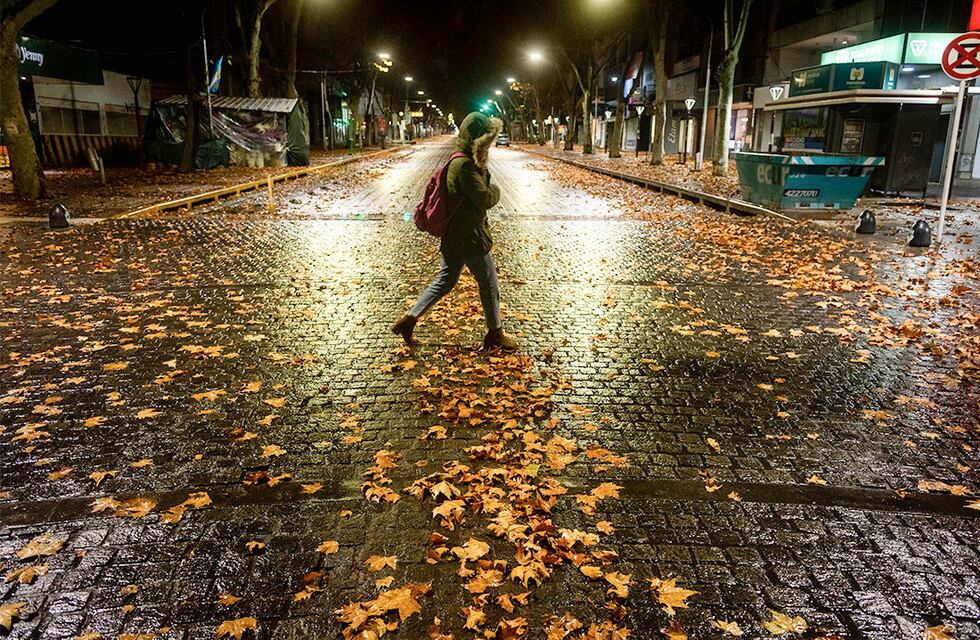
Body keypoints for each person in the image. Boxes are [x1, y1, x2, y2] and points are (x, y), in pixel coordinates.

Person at [392, 112, 517, 351]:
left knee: (445, 281)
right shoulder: (465, 166)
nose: (490, 143)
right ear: (478, 138)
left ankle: (409, 320)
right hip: (470, 236)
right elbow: (484, 197)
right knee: (489, 284)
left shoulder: (460, 160)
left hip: (454, 235)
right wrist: (496, 189)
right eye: (487, 138)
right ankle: (495, 333)